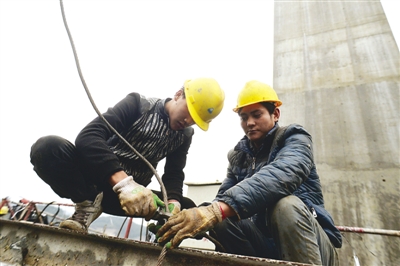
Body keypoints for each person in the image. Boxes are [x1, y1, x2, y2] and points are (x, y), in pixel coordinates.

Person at [157, 80, 342, 265]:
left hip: (313, 247)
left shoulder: (294, 138)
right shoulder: (239, 157)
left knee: (286, 206)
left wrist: (215, 211)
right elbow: (221, 201)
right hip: (265, 246)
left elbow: (282, 175)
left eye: (257, 114)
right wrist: (189, 221)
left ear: (275, 114)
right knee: (220, 219)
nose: (250, 123)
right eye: (244, 117)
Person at [30, 78, 225, 233]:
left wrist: (173, 204)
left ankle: (165, 236)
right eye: (189, 111)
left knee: (187, 208)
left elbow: (174, 173)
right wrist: (124, 184)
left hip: (131, 201)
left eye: (196, 120)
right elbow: (88, 137)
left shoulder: (184, 135)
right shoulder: (139, 105)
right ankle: (87, 205)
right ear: (178, 94)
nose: (188, 121)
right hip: (89, 184)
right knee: (47, 148)